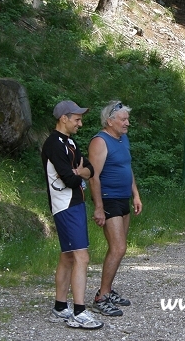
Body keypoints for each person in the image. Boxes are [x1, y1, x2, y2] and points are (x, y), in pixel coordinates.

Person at [41, 100, 104, 330]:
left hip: (74, 203)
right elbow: (70, 178)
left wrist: (81, 172)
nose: (80, 123)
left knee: (68, 256)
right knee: (81, 257)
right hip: (65, 205)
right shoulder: (53, 144)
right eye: (77, 118)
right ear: (63, 118)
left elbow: (90, 168)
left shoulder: (69, 142)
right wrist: (79, 174)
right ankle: (79, 312)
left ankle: (60, 306)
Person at [88, 101, 142, 317]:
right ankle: (101, 297)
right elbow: (94, 177)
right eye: (123, 119)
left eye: (127, 119)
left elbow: (127, 168)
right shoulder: (100, 142)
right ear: (109, 121)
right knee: (118, 247)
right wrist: (99, 208)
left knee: (119, 248)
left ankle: (108, 291)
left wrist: (136, 194)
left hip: (123, 199)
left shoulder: (123, 139)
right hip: (109, 199)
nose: (127, 123)